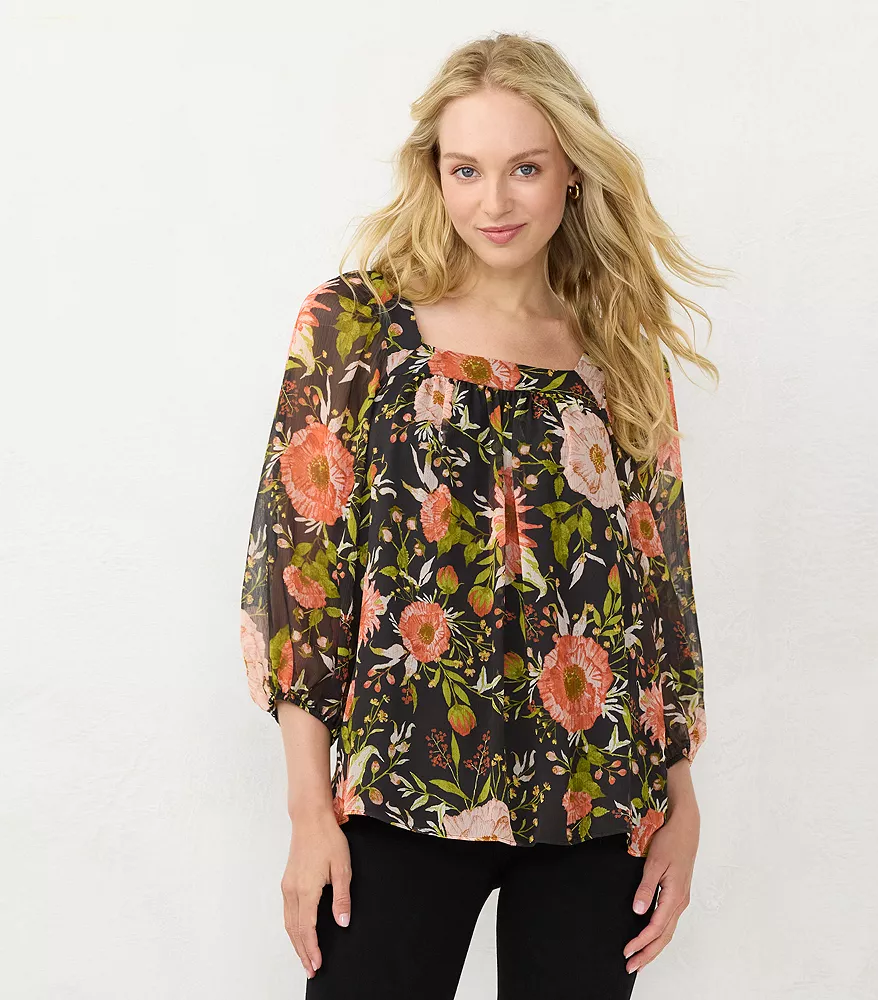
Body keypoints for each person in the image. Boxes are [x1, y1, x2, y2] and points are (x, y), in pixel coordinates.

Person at [239, 31, 725, 1000]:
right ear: (434, 173)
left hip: (598, 800)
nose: (493, 202)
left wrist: (681, 802)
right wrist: (307, 811)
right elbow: (301, 569)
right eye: (466, 169)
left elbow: (657, 588)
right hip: (401, 788)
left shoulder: (616, 350)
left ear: (573, 173)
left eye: (524, 168)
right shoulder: (356, 326)